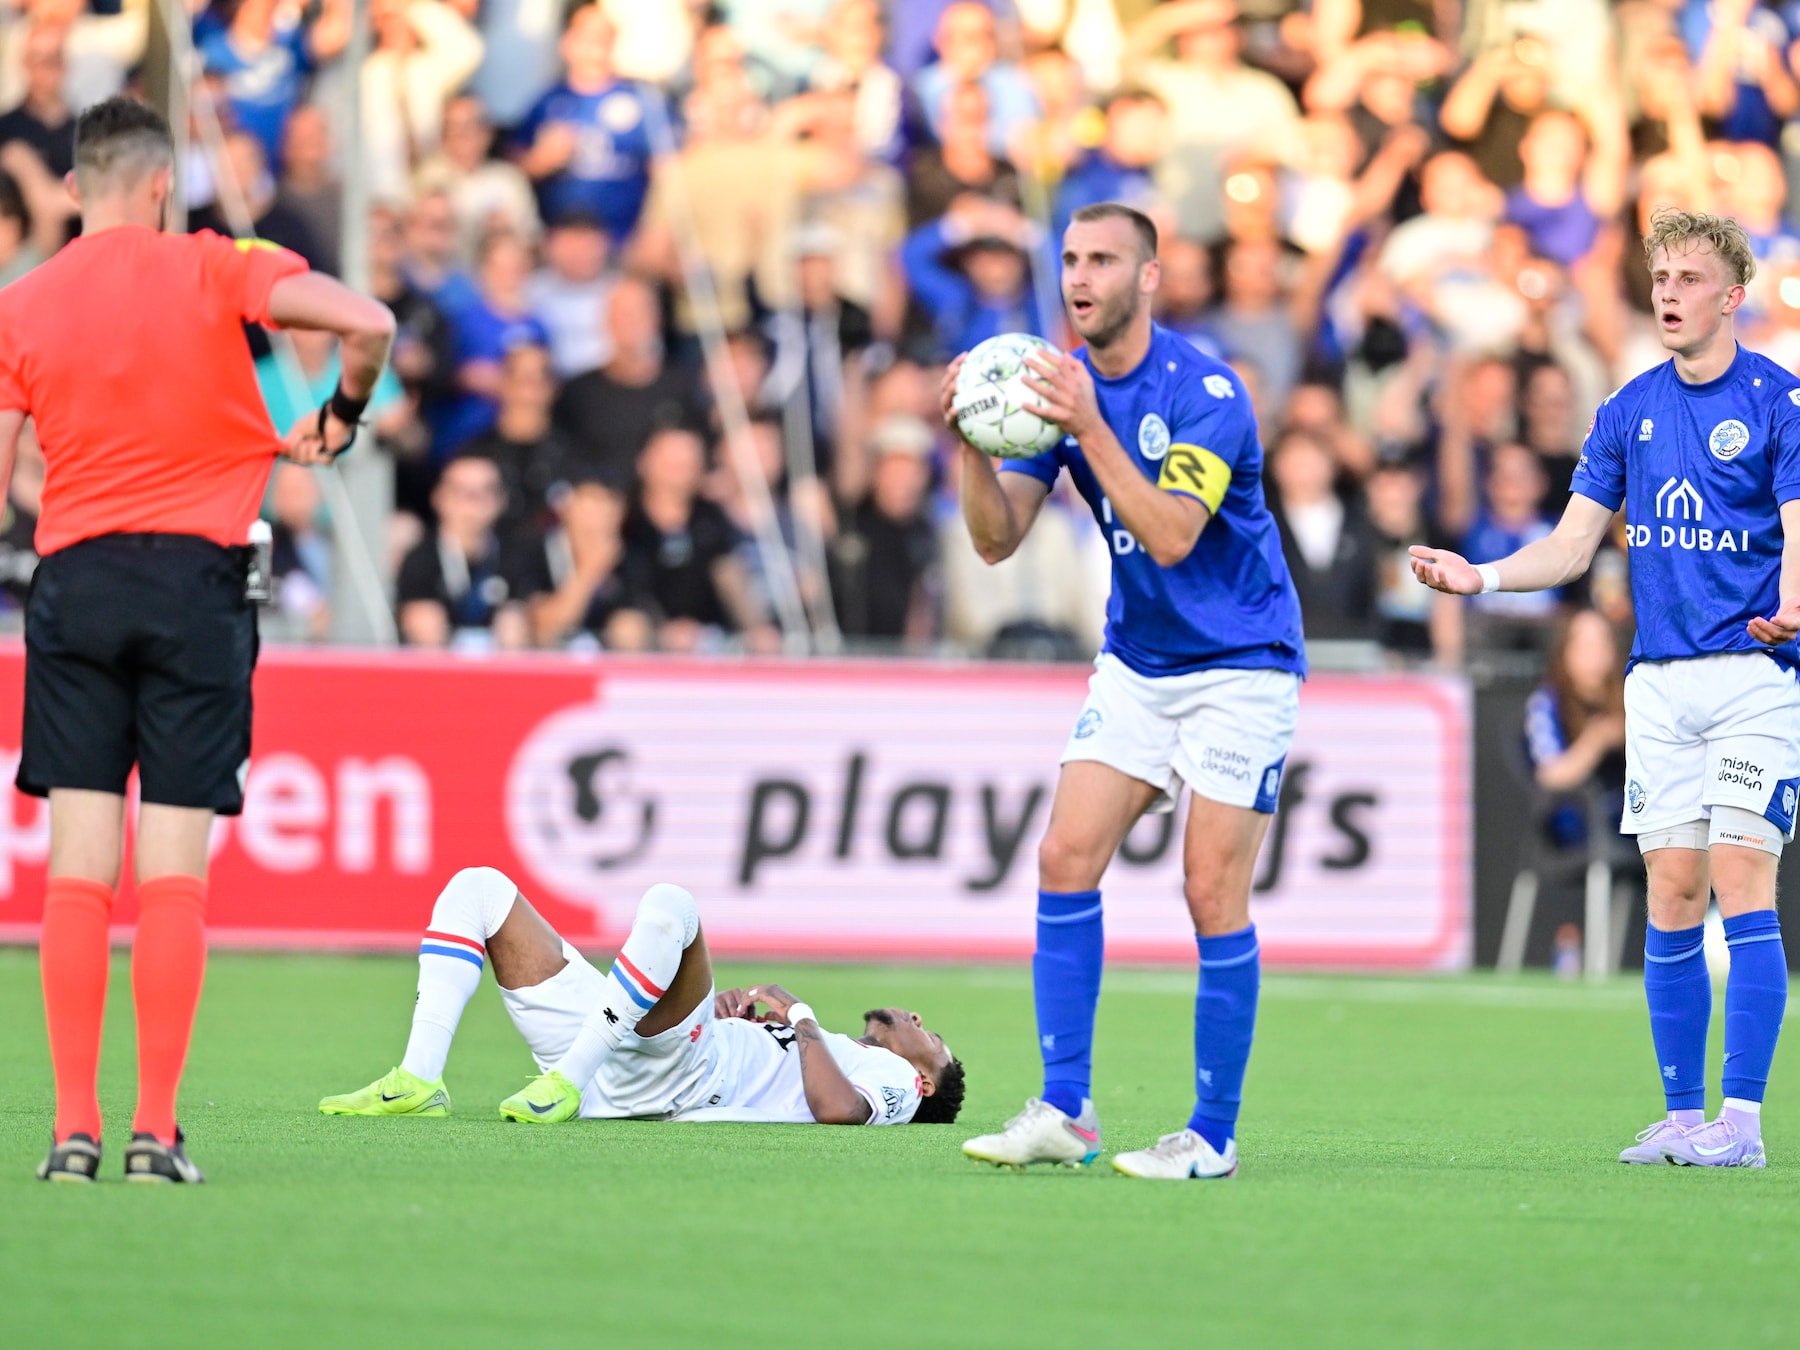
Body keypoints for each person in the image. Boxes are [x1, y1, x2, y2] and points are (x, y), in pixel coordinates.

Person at [0, 97, 394, 1183]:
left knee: (78, 868)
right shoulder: (223, 266)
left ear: (76, 188)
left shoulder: (21, 304)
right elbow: (367, 323)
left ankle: (69, 1131)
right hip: (196, 582)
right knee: (173, 873)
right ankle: (153, 1133)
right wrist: (342, 417)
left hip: (74, 580)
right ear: (163, 183)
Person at [1413, 209, 1799, 1169]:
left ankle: (1741, 1125)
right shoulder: (1629, 408)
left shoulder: (1781, 404)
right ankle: (1681, 1116)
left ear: (1732, 296)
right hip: (1658, 683)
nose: (1668, 293)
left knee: (1744, 878)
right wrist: (1485, 578)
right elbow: (1575, 544)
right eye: (1659, 277)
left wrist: (1794, 603)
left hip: (1756, 673)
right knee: (1672, 888)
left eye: (1688, 279)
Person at [950, 202, 1305, 1180]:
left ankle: (1213, 1134)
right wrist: (971, 440)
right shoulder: (1061, 394)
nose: (1081, 277)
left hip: (1242, 661)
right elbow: (992, 539)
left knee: (1209, 889)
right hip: (1141, 661)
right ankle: (1065, 1108)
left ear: (1148, 277)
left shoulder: (1207, 392)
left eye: (1104, 260)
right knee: (1065, 855)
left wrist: (1089, 427)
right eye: (1070, 259)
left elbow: (1173, 534)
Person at [318, 870, 965, 1126]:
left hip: (683, 1075)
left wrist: (798, 1014)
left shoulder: (895, 1084)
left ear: (925, 1082)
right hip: (634, 1058)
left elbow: (837, 1110)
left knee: (674, 906)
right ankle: (419, 1078)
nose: (915, 1019)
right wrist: (724, 1014)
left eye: (929, 1037)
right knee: (479, 890)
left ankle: (563, 1082)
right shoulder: (828, 1049)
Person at [395, 453, 533, 649]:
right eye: (462, 492)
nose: (473, 503)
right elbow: (423, 634)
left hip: (498, 670)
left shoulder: (514, 556)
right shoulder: (421, 558)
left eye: (485, 491)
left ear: (501, 500)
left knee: (513, 627)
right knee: (426, 624)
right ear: (439, 497)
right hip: (441, 671)